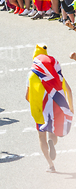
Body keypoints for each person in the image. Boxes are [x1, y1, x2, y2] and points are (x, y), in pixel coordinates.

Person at [26, 44, 73, 173]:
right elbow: (68, 90)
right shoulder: (54, 74)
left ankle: (51, 165)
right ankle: (52, 142)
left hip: (39, 110)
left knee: (41, 137)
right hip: (52, 108)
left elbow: (27, 96)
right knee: (52, 133)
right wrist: (71, 108)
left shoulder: (31, 74)